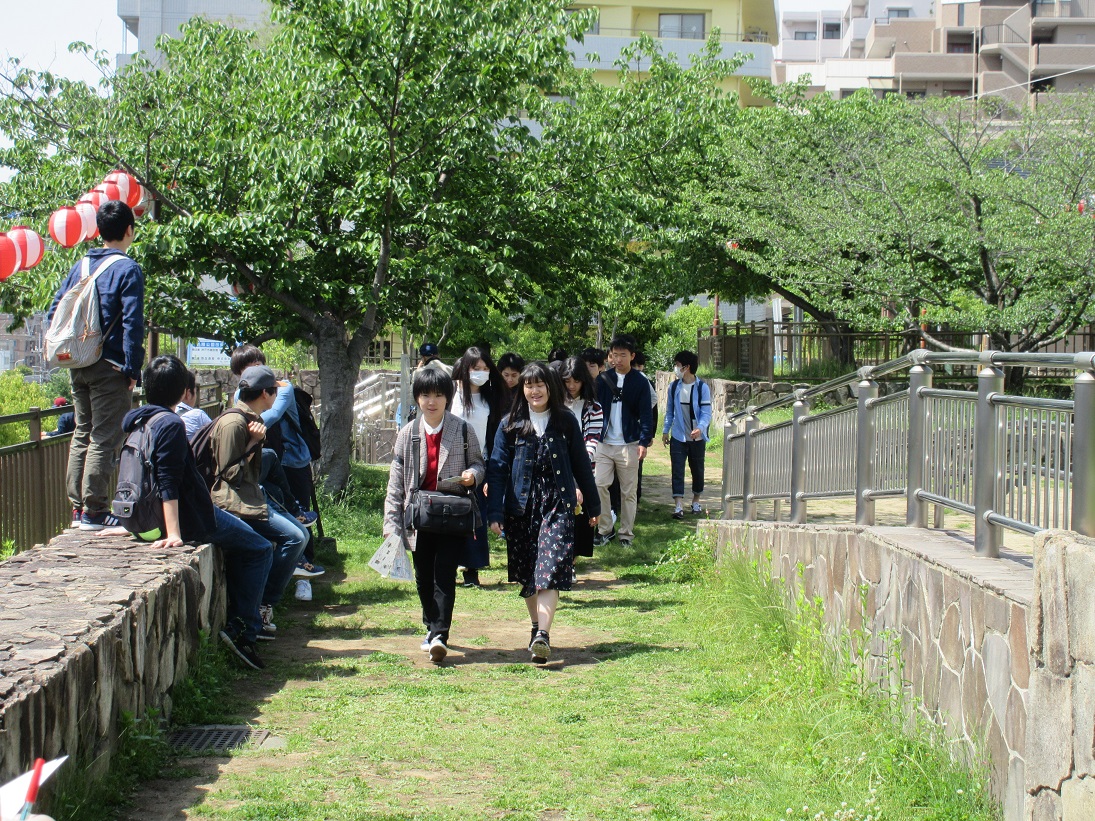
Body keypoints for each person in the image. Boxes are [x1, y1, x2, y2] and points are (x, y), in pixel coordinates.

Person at [123, 355, 273, 669]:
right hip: (194, 515)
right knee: (259, 549)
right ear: (183, 392)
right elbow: (168, 480)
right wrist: (175, 532)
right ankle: (244, 631)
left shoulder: (138, 420)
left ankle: (240, 620)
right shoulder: (170, 423)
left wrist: (123, 521)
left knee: (245, 545)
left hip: (144, 517)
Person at [487, 361, 600, 664]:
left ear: (550, 387)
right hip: (520, 507)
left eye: (539, 385)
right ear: (522, 389)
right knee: (528, 575)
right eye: (528, 385)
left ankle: (544, 635)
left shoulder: (565, 422)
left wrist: (594, 505)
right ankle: (537, 627)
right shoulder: (509, 425)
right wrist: (495, 512)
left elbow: (581, 467)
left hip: (557, 504)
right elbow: (497, 470)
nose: (534, 391)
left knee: (549, 568)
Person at [47, 200, 145, 531]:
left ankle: (78, 510)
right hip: (111, 367)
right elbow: (133, 324)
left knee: (82, 434)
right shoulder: (127, 269)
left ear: (99, 231)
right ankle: (95, 511)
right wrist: (132, 368)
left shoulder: (82, 265)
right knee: (104, 437)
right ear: (128, 230)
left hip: (79, 363)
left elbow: (55, 312)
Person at [384, 367, 484, 663]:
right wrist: (391, 523)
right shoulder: (407, 433)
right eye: (426, 395)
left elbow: (480, 464)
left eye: (438, 395)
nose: (432, 401)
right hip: (418, 517)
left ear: (447, 398)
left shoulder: (463, 429)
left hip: (452, 514)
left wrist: (472, 476)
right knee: (423, 575)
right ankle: (430, 625)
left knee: (445, 574)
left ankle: (440, 633)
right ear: (417, 398)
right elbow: (395, 482)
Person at [210, 364, 311, 639]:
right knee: (292, 538)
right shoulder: (234, 422)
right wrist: (254, 442)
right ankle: (259, 608)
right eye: (274, 393)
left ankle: (263, 604)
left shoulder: (250, 417)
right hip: (235, 503)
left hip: (252, 498)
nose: (276, 398)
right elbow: (229, 474)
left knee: (299, 536)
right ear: (265, 394)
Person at [450, 346, 505, 588]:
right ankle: (447, 566)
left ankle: (471, 571)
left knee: (475, 518)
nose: (480, 373)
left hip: (478, 464)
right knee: (449, 517)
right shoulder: (451, 392)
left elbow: (495, 434)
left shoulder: (491, 397)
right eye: (476, 368)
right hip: (449, 464)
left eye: (485, 369)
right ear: (465, 368)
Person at [594, 335, 653, 550]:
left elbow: (647, 414)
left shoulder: (640, 382)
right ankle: (605, 529)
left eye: (622, 355)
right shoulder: (601, 380)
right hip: (604, 443)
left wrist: (643, 442)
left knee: (629, 492)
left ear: (632, 356)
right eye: (614, 355)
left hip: (629, 444)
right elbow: (593, 409)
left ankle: (626, 533)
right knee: (599, 484)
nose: (617, 359)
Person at [557, 357, 603, 560]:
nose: (572, 386)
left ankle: (572, 561)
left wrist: (579, 463)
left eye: (576, 381)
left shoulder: (594, 408)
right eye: (567, 381)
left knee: (580, 517)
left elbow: (592, 440)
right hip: (557, 466)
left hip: (583, 469)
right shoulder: (555, 405)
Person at [662, 350, 713, 519]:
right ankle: (678, 505)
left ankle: (696, 500)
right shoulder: (674, 387)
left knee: (697, 469)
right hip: (678, 436)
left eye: (677, 365)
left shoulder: (701, 387)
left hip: (696, 438)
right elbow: (670, 411)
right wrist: (665, 430)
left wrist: (701, 427)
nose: (676, 368)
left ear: (687, 367)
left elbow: (706, 412)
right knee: (677, 470)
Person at [631, 351, 659, 504]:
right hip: (639, 428)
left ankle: (635, 495)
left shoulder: (641, 380)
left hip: (637, 429)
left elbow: (652, 406)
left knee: (635, 464)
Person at [174, 369, 213, 441]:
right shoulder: (197, 415)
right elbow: (216, 437)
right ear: (188, 394)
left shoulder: (163, 416)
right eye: (195, 391)